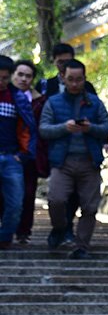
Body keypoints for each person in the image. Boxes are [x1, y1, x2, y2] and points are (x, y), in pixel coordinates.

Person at [38, 59, 108, 259]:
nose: (74, 84)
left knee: (90, 207)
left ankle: (81, 247)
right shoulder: (53, 102)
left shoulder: (95, 103)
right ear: (63, 78)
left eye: (79, 80)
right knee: (56, 200)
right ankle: (60, 228)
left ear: (84, 79)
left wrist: (91, 128)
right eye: (70, 79)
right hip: (63, 162)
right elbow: (43, 129)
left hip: (90, 162)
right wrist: (64, 127)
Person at [0, 55, 38, 250]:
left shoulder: (18, 98)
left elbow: (28, 129)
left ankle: (4, 238)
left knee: (16, 204)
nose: (2, 82)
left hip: (12, 157)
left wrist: (23, 154)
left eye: (5, 78)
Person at [12, 60, 41, 244]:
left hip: (30, 154)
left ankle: (24, 232)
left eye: (28, 76)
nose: (23, 79)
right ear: (13, 76)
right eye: (20, 75)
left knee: (29, 194)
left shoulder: (40, 101)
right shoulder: (6, 97)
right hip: (8, 152)